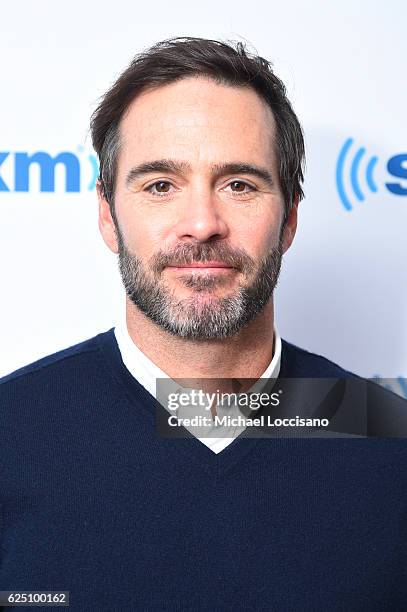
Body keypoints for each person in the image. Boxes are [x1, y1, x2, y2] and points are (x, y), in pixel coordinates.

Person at [1, 37, 407, 610]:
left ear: (289, 218)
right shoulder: (9, 432)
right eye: (160, 185)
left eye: (239, 184)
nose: (201, 224)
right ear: (107, 216)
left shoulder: (389, 441)